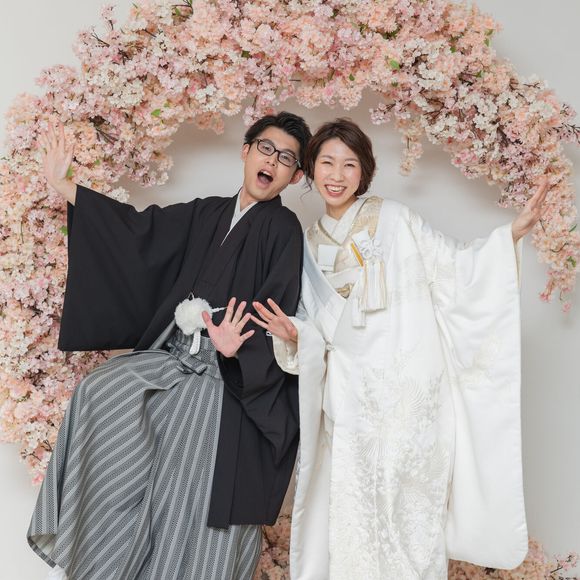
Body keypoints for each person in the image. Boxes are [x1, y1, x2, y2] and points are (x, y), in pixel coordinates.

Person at [252, 118, 548, 580]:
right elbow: (314, 329)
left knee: (411, 525)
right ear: (309, 169)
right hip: (349, 406)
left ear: (364, 172)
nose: (336, 175)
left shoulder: (395, 219)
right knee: (355, 524)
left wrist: (510, 234)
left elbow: (456, 269)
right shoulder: (306, 244)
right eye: (327, 162)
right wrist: (295, 336)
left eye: (349, 164)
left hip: (411, 403)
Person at [27, 112, 312, 580]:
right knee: (100, 390)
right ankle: (106, 558)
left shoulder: (282, 229)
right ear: (246, 151)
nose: (272, 161)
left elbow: (279, 311)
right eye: (265, 148)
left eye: (286, 158)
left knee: (187, 492)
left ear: (295, 176)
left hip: (228, 378)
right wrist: (65, 186)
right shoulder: (208, 212)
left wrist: (237, 347)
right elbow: (140, 233)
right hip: (178, 358)